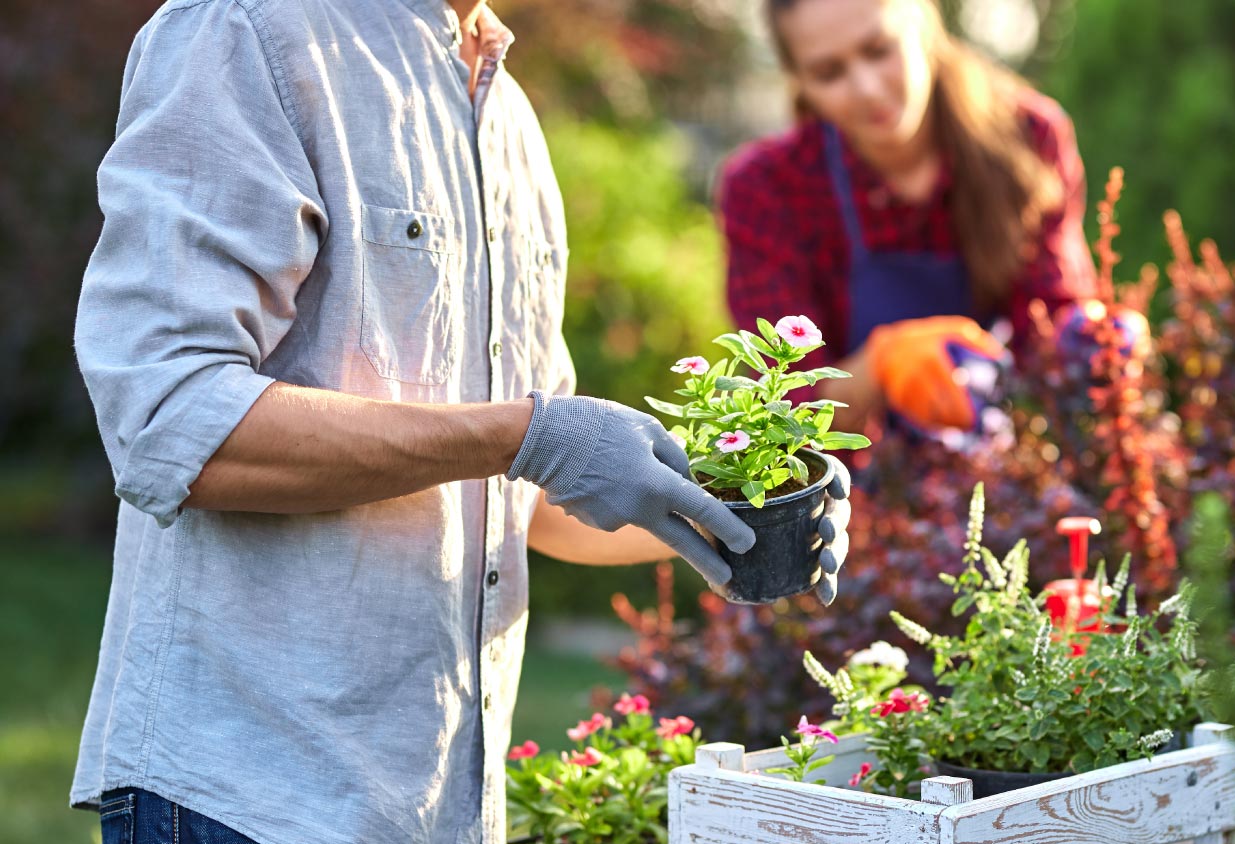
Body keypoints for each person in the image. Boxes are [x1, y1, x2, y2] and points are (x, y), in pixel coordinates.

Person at [70, 1, 850, 842]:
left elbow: (537, 501)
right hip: (250, 795)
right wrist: (525, 436)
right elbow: (172, 420)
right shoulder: (246, 34)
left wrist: (735, 522)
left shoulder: (506, 116)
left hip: (438, 806)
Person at [718, 0, 1102, 446]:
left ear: (924, 22)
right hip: (856, 489)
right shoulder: (766, 189)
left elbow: (1049, 329)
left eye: (879, 49)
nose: (866, 88)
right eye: (829, 73)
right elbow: (785, 407)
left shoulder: (1027, 138)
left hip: (1007, 460)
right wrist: (880, 366)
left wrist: (1093, 345)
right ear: (800, 81)